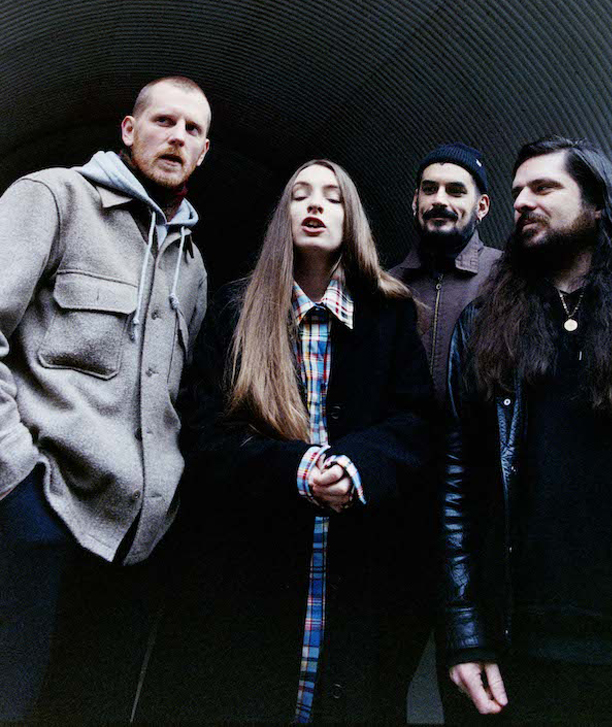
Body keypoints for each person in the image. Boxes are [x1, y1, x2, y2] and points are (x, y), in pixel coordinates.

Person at [140, 159, 435, 724]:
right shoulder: (236, 310)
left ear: (352, 219)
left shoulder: (389, 313)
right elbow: (205, 433)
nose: (315, 205)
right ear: (283, 217)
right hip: (251, 571)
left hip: (357, 567)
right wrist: (297, 470)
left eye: (332, 197)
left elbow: (415, 420)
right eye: (300, 195)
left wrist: (356, 466)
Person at [0, 75, 211, 721]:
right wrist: (16, 481)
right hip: (42, 514)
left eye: (193, 130)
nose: (177, 137)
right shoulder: (53, 198)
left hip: (137, 544)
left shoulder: (192, 265)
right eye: (163, 121)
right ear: (129, 129)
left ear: (203, 152)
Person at [441, 137, 612, 725]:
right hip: (521, 641)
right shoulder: (484, 324)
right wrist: (465, 634)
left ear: (596, 205)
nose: (522, 202)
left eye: (543, 187)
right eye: (517, 192)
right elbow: (457, 486)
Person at [390, 142, 500, 406]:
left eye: (455, 191)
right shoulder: (387, 285)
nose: (439, 200)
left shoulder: (507, 277)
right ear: (415, 201)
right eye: (429, 189)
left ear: (482, 207)